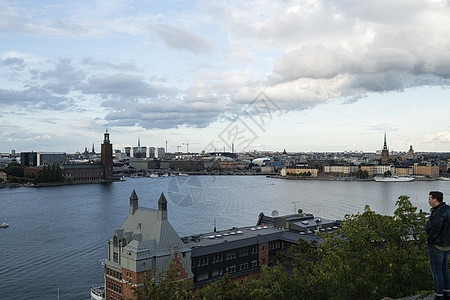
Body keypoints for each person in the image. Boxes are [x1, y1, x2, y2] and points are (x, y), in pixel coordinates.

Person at [427, 191, 450, 300]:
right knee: (444, 268)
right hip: (447, 245)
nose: (428, 201)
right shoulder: (448, 209)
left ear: (436, 200)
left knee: (436, 270)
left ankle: (438, 294)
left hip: (437, 246)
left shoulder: (438, 213)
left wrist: (429, 240)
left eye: (430, 199)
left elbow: (435, 230)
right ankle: (447, 291)